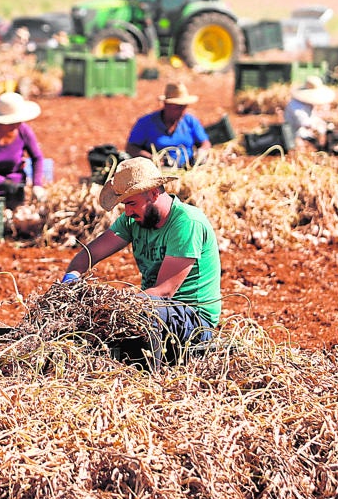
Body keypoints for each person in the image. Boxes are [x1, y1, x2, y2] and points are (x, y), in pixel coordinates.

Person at [61, 157, 221, 370]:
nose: (127, 211)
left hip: (192, 321)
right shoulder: (133, 220)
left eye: (131, 203)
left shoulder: (186, 223)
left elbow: (164, 292)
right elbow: (88, 255)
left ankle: (150, 378)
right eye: (125, 204)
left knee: (146, 311)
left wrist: (112, 306)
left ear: (154, 193)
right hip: (151, 310)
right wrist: (70, 281)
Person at [125, 82, 211, 167]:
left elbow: (205, 142)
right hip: (158, 171)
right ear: (166, 105)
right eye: (178, 108)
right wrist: (151, 158)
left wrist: (201, 152)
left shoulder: (190, 121)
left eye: (184, 107)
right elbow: (131, 147)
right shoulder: (146, 123)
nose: (182, 111)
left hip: (188, 169)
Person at [283, 76, 335, 150]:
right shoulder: (295, 105)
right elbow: (304, 122)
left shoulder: (307, 105)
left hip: (303, 134)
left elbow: (314, 119)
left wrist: (322, 126)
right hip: (293, 134)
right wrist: (318, 132)